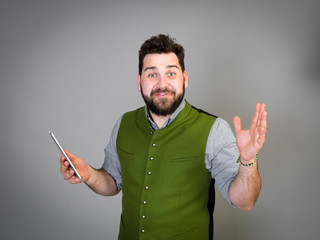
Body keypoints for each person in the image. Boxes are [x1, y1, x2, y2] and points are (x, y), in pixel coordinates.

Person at [60, 34, 267, 240]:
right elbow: (112, 182)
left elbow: (244, 201)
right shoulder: (123, 124)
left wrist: (248, 161)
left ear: (184, 79)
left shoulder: (214, 129)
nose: (162, 83)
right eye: (152, 75)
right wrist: (87, 172)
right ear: (140, 82)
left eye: (171, 73)